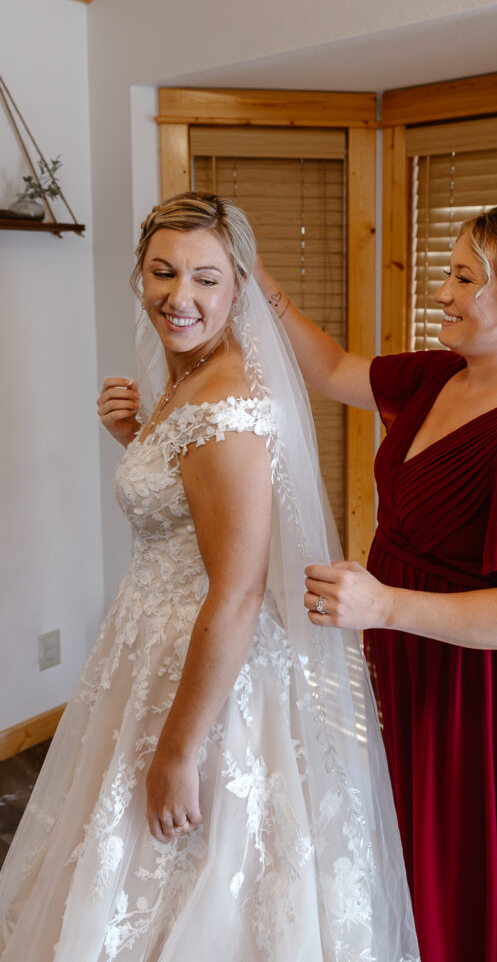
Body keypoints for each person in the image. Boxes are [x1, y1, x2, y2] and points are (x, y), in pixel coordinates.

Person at [0, 192, 419, 961]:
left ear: (239, 291)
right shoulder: (188, 376)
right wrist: (139, 438)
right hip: (153, 649)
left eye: (205, 279)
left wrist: (178, 753)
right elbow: (188, 520)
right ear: (140, 276)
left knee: (200, 878)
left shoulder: (228, 403)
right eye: (163, 273)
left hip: (207, 674)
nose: (179, 297)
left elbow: (238, 590)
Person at [253, 205, 497, 962]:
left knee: (475, 885)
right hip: (415, 664)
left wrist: (381, 603)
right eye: (448, 272)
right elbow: (331, 368)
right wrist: (254, 277)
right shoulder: (441, 373)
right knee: (408, 862)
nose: (440, 293)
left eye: (463, 279)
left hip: (496, 699)